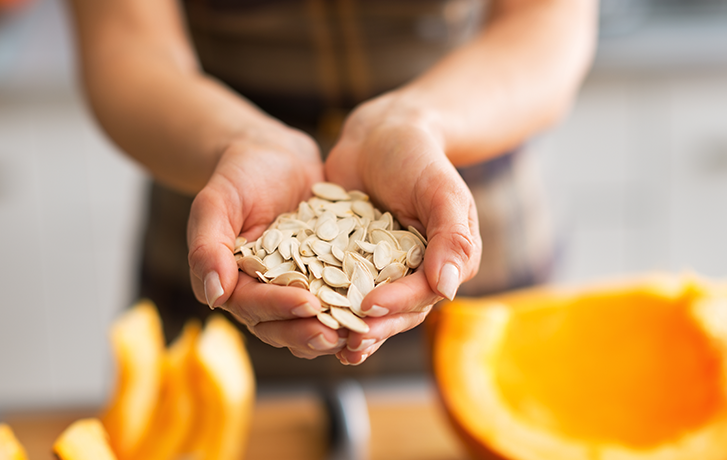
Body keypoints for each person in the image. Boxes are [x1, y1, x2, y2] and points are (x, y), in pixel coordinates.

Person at [68, 0, 597, 373]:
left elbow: (547, 18)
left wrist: (419, 121)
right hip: (230, 214)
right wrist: (239, 140)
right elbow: (127, 44)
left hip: (465, 207)